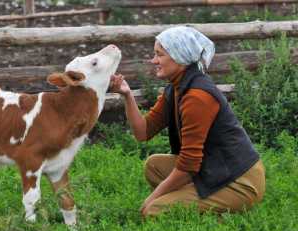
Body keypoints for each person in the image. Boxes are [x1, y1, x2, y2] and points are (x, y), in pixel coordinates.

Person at [110, 26, 266, 218]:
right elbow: (143, 132)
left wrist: (151, 199)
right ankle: (198, 203)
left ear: (179, 57)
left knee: (154, 210)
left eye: (160, 55)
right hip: (212, 169)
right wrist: (127, 94)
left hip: (239, 181)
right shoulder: (175, 89)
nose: (154, 61)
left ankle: (220, 216)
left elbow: (188, 166)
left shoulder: (197, 97)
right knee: (154, 166)